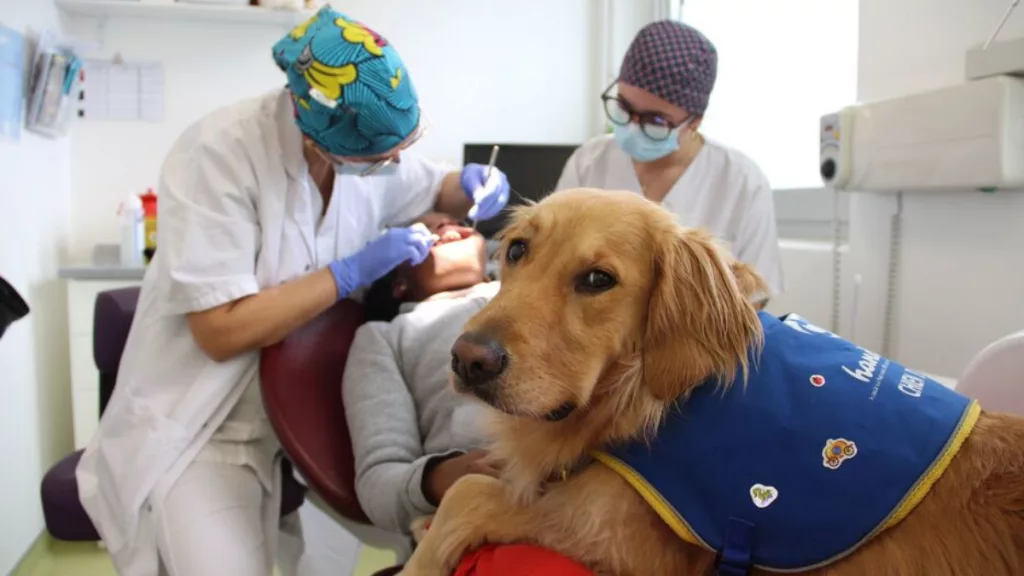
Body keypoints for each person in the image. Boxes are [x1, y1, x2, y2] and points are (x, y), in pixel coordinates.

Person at [75, 7, 511, 576]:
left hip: (319, 412)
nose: (394, 165)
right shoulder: (219, 155)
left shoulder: (362, 151)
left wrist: (474, 182)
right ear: (319, 134)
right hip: (210, 425)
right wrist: (347, 274)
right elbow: (220, 330)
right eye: (381, 156)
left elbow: (433, 184)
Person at [343, 214, 592, 576]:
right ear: (398, 281)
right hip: (488, 519)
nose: (449, 227)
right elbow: (377, 484)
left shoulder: (553, 294)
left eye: (456, 219)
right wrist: (448, 475)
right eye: (429, 232)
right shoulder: (386, 337)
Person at [556, 20, 784, 303]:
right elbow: (554, 261)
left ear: (694, 122)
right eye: (625, 107)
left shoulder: (741, 182)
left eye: (656, 120)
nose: (633, 126)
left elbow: (754, 300)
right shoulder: (589, 163)